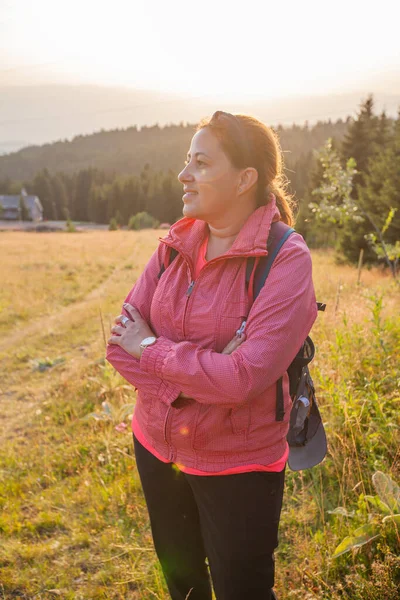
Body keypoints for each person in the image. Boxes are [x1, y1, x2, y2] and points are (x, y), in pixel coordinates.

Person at [106, 110, 318, 600]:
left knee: (241, 589)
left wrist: (153, 348)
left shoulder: (285, 259)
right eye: (186, 160)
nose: (184, 174)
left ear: (245, 179)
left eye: (201, 163)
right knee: (182, 583)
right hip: (156, 449)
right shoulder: (174, 244)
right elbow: (120, 344)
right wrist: (200, 381)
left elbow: (243, 379)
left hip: (238, 467)